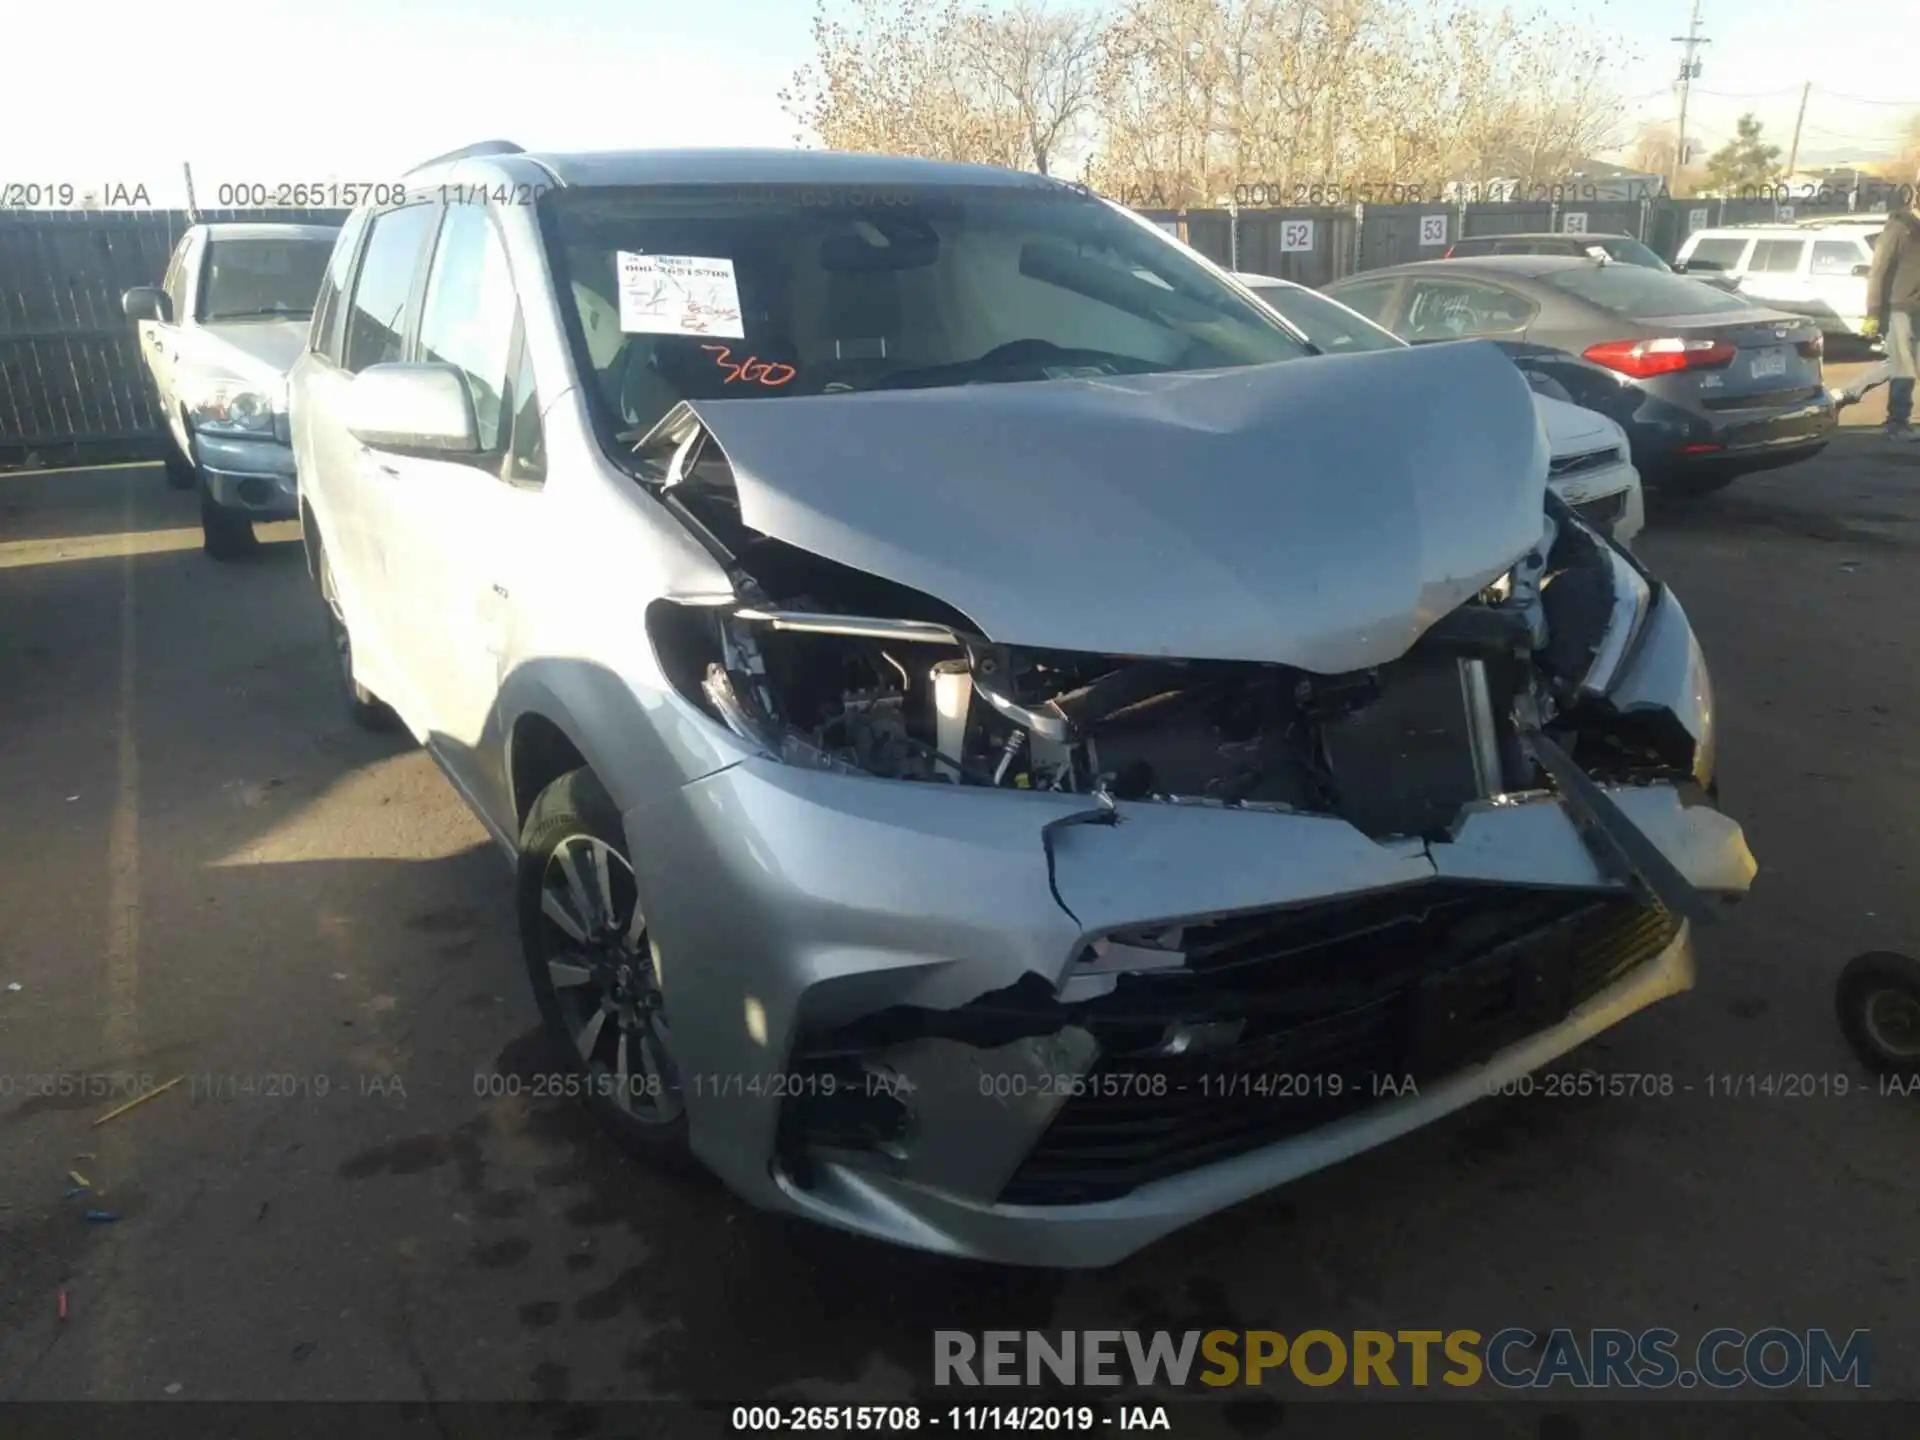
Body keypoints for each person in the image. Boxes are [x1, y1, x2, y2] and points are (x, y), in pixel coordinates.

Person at [1860, 198, 1920, 438]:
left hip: (1916, 307)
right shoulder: (1898, 228)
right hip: (1897, 308)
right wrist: (1873, 312)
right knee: (1903, 367)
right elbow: (1878, 271)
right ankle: (1896, 423)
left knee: (1905, 365)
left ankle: (1847, 393)